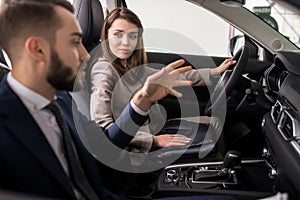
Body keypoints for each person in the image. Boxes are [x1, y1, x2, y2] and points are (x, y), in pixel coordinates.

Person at [0, 0, 196, 199]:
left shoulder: (61, 103)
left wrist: (141, 101)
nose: (86, 55)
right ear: (37, 49)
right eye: (75, 42)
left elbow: (106, 146)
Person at [89, 7, 236, 153]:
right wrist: (153, 141)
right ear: (106, 37)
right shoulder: (104, 71)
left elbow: (177, 76)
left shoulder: (130, 67)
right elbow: (103, 129)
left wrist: (215, 72)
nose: (126, 42)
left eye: (132, 36)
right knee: (212, 129)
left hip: (154, 127)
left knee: (214, 122)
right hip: (138, 144)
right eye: (118, 35)